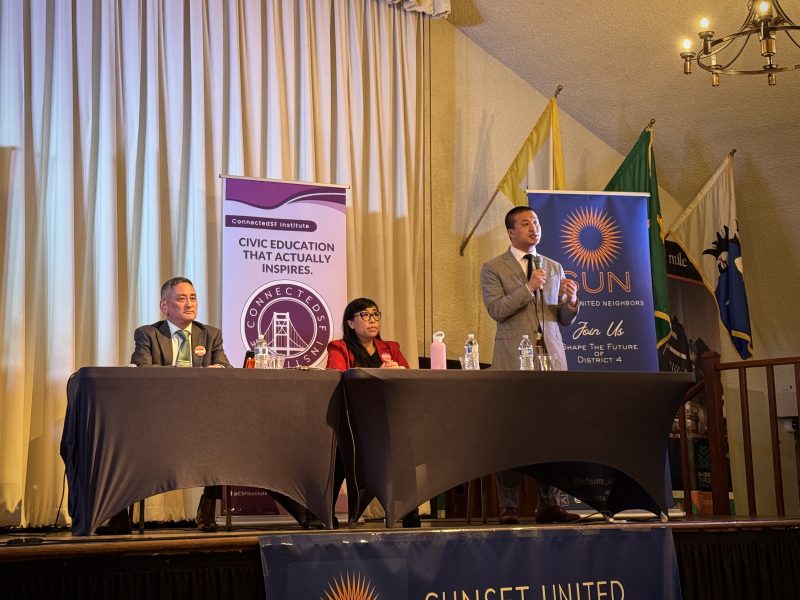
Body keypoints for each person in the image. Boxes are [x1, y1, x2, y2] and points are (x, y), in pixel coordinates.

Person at [96, 277, 232, 535]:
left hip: (201, 417)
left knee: (222, 436)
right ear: (164, 306)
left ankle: (208, 508)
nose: (190, 303)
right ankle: (119, 513)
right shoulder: (148, 334)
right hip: (158, 418)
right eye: (182, 298)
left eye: (193, 297)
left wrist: (216, 369)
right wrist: (190, 374)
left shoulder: (210, 334)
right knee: (122, 436)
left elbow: (225, 368)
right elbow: (143, 372)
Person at [480, 206, 581, 525]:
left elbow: (561, 320)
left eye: (536, 222)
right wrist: (528, 288)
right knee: (510, 434)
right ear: (511, 232)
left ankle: (548, 504)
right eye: (525, 224)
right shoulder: (493, 267)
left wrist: (571, 302)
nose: (533, 227)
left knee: (551, 434)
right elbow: (496, 309)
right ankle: (508, 506)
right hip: (512, 363)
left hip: (551, 363)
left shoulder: (554, 266)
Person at [326, 297, 421, 528]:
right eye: (365, 315)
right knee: (340, 448)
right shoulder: (339, 347)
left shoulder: (391, 348)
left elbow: (408, 376)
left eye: (375, 314)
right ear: (350, 323)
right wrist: (375, 373)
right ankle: (327, 512)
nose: (372, 320)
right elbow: (337, 377)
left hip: (385, 418)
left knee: (404, 445)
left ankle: (410, 511)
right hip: (353, 418)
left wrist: (397, 371)